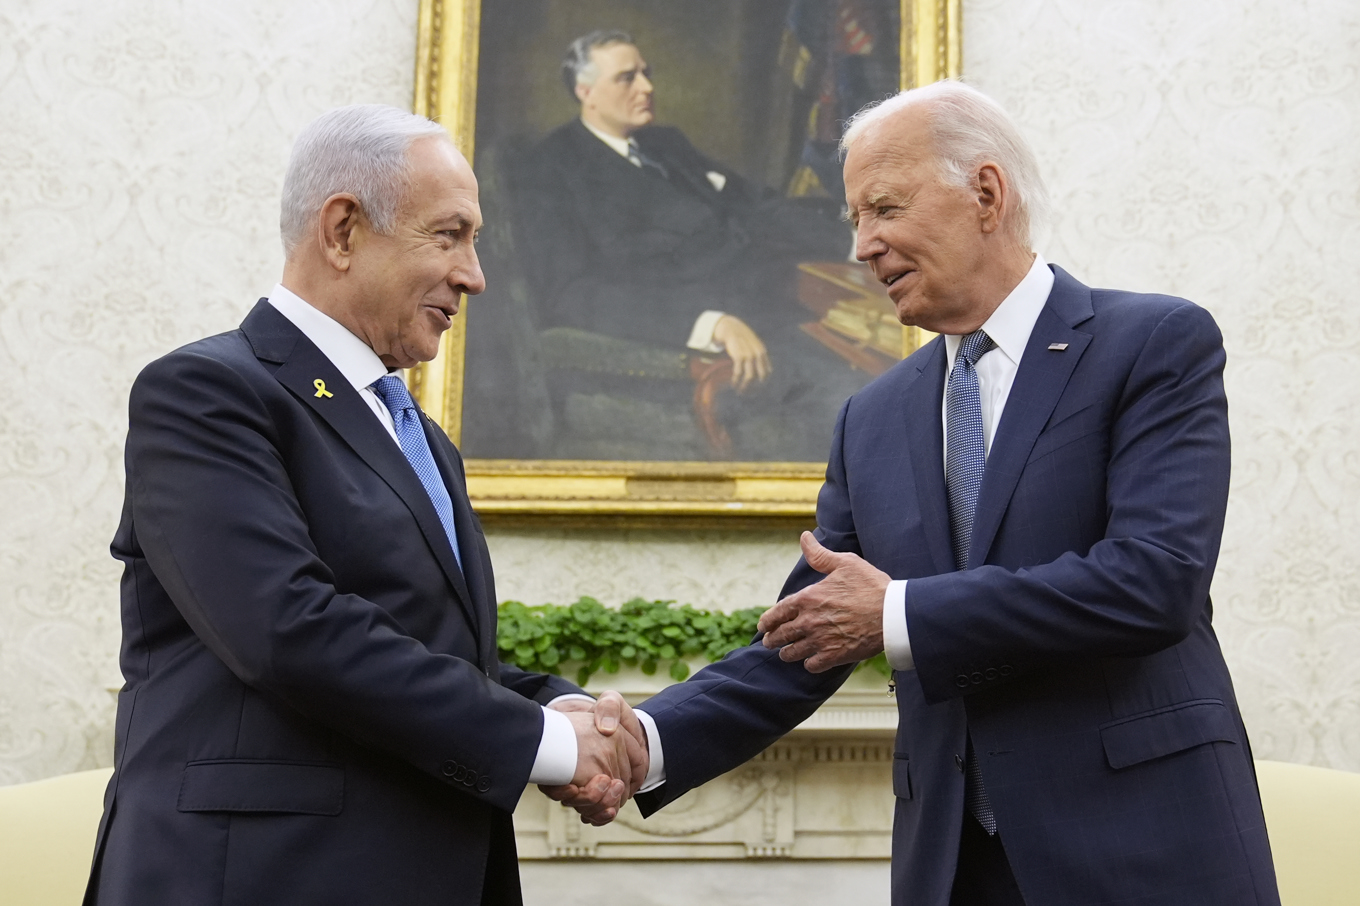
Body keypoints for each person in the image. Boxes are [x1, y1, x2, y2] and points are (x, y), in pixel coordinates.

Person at [624, 81, 1281, 905]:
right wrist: (643, 742)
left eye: (884, 208)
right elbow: (811, 635)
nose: (863, 246)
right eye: (854, 220)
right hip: (954, 868)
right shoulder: (871, 415)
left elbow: (1153, 582)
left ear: (986, 193)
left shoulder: (1152, 343)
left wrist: (897, 613)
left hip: (1144, 852)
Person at [85, 105, 642, 906]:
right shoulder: (208, 392)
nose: (474, 275)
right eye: (449, 235)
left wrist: (559, 704)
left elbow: (429, 650)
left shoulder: (420, 436)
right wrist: (548, 743)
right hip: (258, 879)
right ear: (343, 230)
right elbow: (289, 628)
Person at [508, 29, 865, 461]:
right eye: (627, 78)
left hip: (772, 310)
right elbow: (572, 294)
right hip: (688, 348)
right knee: (855, 402)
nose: (647, 87)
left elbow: (752, 207)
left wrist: (851, 241)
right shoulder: (551, 171)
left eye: (646, 73)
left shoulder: (664, 145)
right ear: (586, 91)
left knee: (873, 370)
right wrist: (709, 323)